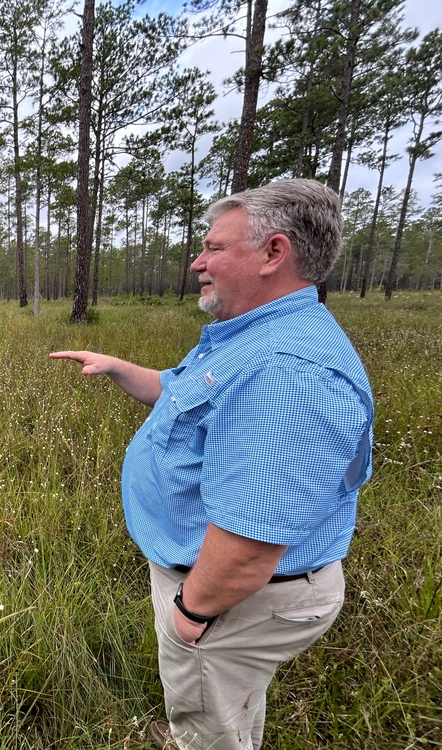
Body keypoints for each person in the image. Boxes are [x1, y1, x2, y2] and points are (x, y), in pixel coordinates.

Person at [50, 179, 374, 750]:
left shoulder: (286, 371)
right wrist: (118, 366)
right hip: (232, 596)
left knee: (209, 724)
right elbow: (182, 391)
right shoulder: (253, 335)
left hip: (232, 599)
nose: (198, 262)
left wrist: (190, 618)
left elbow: (250, 543)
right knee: (227, 701)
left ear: (275, 253)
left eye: (214, 248)